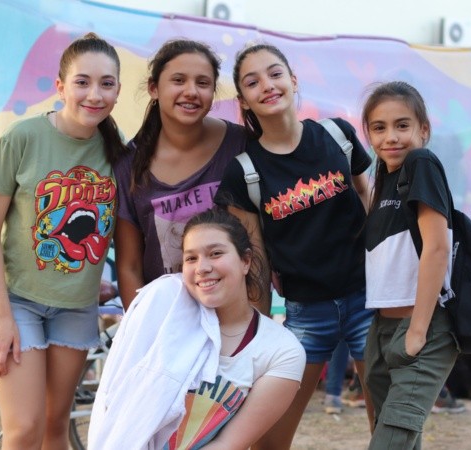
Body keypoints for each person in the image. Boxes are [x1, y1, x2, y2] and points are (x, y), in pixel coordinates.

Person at [214, 42, 375, 448]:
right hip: (306, 314)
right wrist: (257, 339)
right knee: (267, 440)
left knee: (391, 429)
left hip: (367, 301)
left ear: (293, 80)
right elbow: (256, 263)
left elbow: (367, 197)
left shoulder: (338, 136)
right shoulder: (244, 172)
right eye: (253, 82)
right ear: (243, 100)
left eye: (275, 74)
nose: (267, 86)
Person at [0, 32, 126, 449]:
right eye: (82, 82)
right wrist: (1, 317)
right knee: (25, 427)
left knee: (55, 425)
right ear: (60, 87)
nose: (95, 94)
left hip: (75, 306)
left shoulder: (120, 155)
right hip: (15, 300)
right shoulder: (23, 138)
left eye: (106, 84)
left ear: (117, 90)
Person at [89, 207, 306, 449]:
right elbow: (113, 397)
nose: (202, 267)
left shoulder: (281, 351)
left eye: (215, 253)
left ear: (246, 261)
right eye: (191, 258)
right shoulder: (163, 305)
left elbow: (227, 444)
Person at [112, 39, 265, 313]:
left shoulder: (240, 144)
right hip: (168, 319)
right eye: (178, 80)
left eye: (203, 83)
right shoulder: (128, 165)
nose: (191, 91)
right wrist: (145, 328)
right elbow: (129, 266)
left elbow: (256, 247)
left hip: (234, 316)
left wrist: (253, 324)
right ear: (153, 88)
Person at [360, 80, 459, 449]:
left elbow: (437, 248)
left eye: (402, 125)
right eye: (379, 127)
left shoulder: (421, 163)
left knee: (389, 441)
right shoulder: (385, 178)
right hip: (383, 327)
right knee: (397, 438)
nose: (391, 137)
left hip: (422, 326)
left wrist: (418, 330)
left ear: (424, 130)